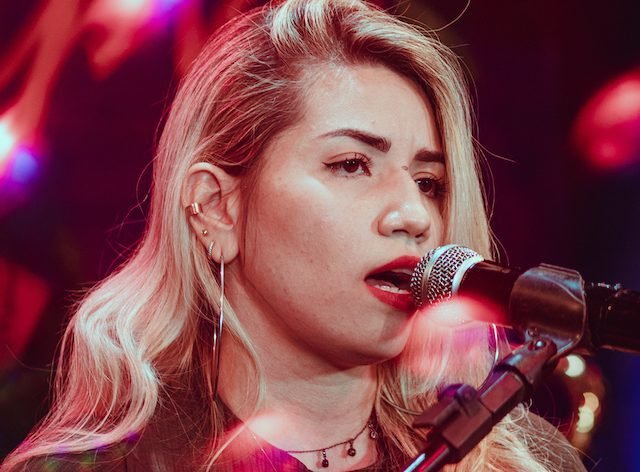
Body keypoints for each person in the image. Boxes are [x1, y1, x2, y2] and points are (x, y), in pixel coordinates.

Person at [2, 0, 586, 470]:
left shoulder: (523, 462)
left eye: (429, 183)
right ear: (216, 208)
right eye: (352, 165)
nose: (414, 215)